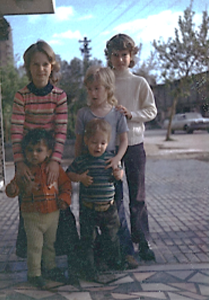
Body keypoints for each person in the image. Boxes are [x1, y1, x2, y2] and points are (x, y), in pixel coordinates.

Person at [74, 66, 138, 269]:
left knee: (117, 213)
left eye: (97, 89)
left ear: (108, 89)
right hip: (89, 174)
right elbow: (77, 144)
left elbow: (124, 141)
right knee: (89, 219)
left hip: (110, 172)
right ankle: (92, 259)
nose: (93, 93)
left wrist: (117, 159)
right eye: (90, 89)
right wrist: (80, 168)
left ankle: (124, 253)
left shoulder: (117, 114)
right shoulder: (83, 114)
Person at [10, 40, 68, 259]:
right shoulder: (21, 96)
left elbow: (61, 131)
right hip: (28, 159)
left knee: (53, 207)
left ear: (52, 66)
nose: (41, 69)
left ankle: (52, 258)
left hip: (49, 159)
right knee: (28, 207)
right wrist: (20, 163)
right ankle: (31, 259)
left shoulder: (59, 97)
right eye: (36, 64)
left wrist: (54, 162)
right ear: (28, 67)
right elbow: (16, 131)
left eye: (45, 64)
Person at [105, 33, 157, 261]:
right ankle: (119, 242)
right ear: (109, 57)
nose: (119, 60)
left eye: (124, 55)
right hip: (110, 147)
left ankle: (142, 240)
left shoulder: (139, 82)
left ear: (132, 55)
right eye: (115, 55)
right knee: (113, 196)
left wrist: (132, 114)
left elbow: (151, 110)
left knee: (137, 195)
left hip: (134, 144)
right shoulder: (106, 81)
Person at [6, 129, 72, 288]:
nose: (34, 154)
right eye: (30, 150)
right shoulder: (24, 171)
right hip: (32, 215)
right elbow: (13, 189)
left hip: (52, 214)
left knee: (50, 244)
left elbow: (66, 185)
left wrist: (64, 199)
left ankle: (50, 267)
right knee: (35, 245)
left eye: (39, 150)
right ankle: (34, 273)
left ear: (49, 152)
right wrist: (14, 189)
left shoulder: (54, 170)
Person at [67, 119, 123, 281]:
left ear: (108, 143)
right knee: (88, 239)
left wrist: (118, 174)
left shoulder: (111, 159)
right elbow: (68, 173)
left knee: (111, 237)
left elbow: (120, 172)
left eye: (102, 143)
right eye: (94, 142)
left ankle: (106, 262)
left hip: (108, 208)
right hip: (89, 208)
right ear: (86, 141)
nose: (98, 146)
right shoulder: (82, 160)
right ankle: (89, 268)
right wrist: (80, 178)